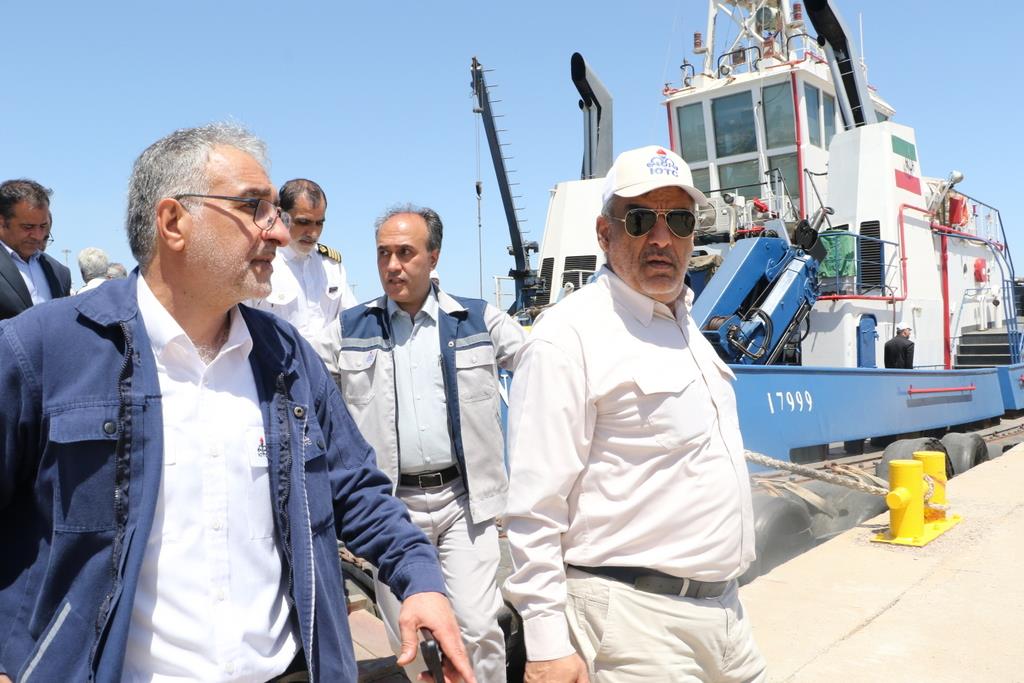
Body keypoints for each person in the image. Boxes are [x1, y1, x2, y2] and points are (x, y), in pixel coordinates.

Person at [0, 124, 474, 683]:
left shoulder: (287, 356)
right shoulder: (43, 351)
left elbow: (353, 487)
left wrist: (419, 580)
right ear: (173, 222)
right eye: (255, 208)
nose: (279, 232)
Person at [503, 146, 766, 682]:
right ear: (605, 233)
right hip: (635, 625)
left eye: (680, 221)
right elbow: (534, 507)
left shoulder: (686, 327)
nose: (662, 239)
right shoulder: (567, 337)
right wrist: (547, 644)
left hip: (726, 615)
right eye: (642, 220)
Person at [316, 204, 526, 682]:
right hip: (390, 508)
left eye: (405, 253)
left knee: (478, 625)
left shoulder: (479, 321)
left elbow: (544, 372)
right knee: (408, 636)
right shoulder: (347, 331)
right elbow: (301, 391)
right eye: (383, 254)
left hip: (464, 503)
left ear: (434, 257)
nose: (392, 265)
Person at [249, 178, 357, 339]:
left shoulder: (332, 267)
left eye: (319, 223)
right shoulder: (261, 263)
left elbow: (351, 322)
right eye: (303, 222)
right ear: (280, 216)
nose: (313, 233)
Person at [0, 179, 71, 320]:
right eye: (28, 227)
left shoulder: (60, 273)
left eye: (43, 226)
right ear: (2, 222)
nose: (38, 236)